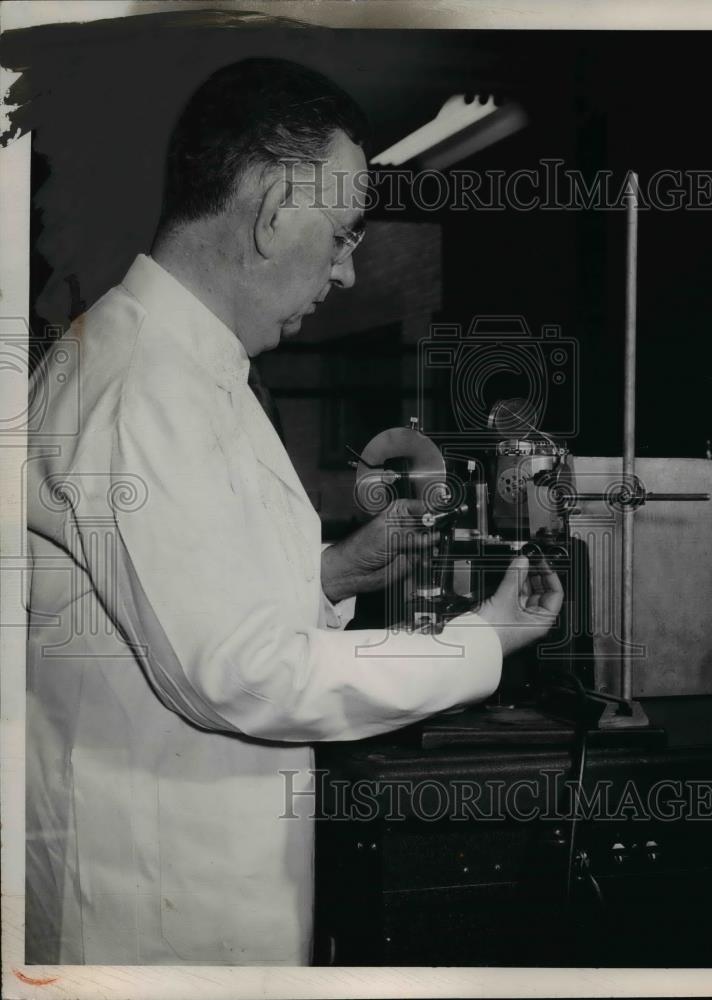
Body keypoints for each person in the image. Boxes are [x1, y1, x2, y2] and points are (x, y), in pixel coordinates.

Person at [25, 58, 563, 966]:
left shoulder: (184, 366)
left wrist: (331, 573)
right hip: (157, 909)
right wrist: (484, 638)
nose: (348, 273)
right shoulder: (146, 385)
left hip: (185, 868)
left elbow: (177, 594)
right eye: (345, 234)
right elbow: (244, 672)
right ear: (276, 211)